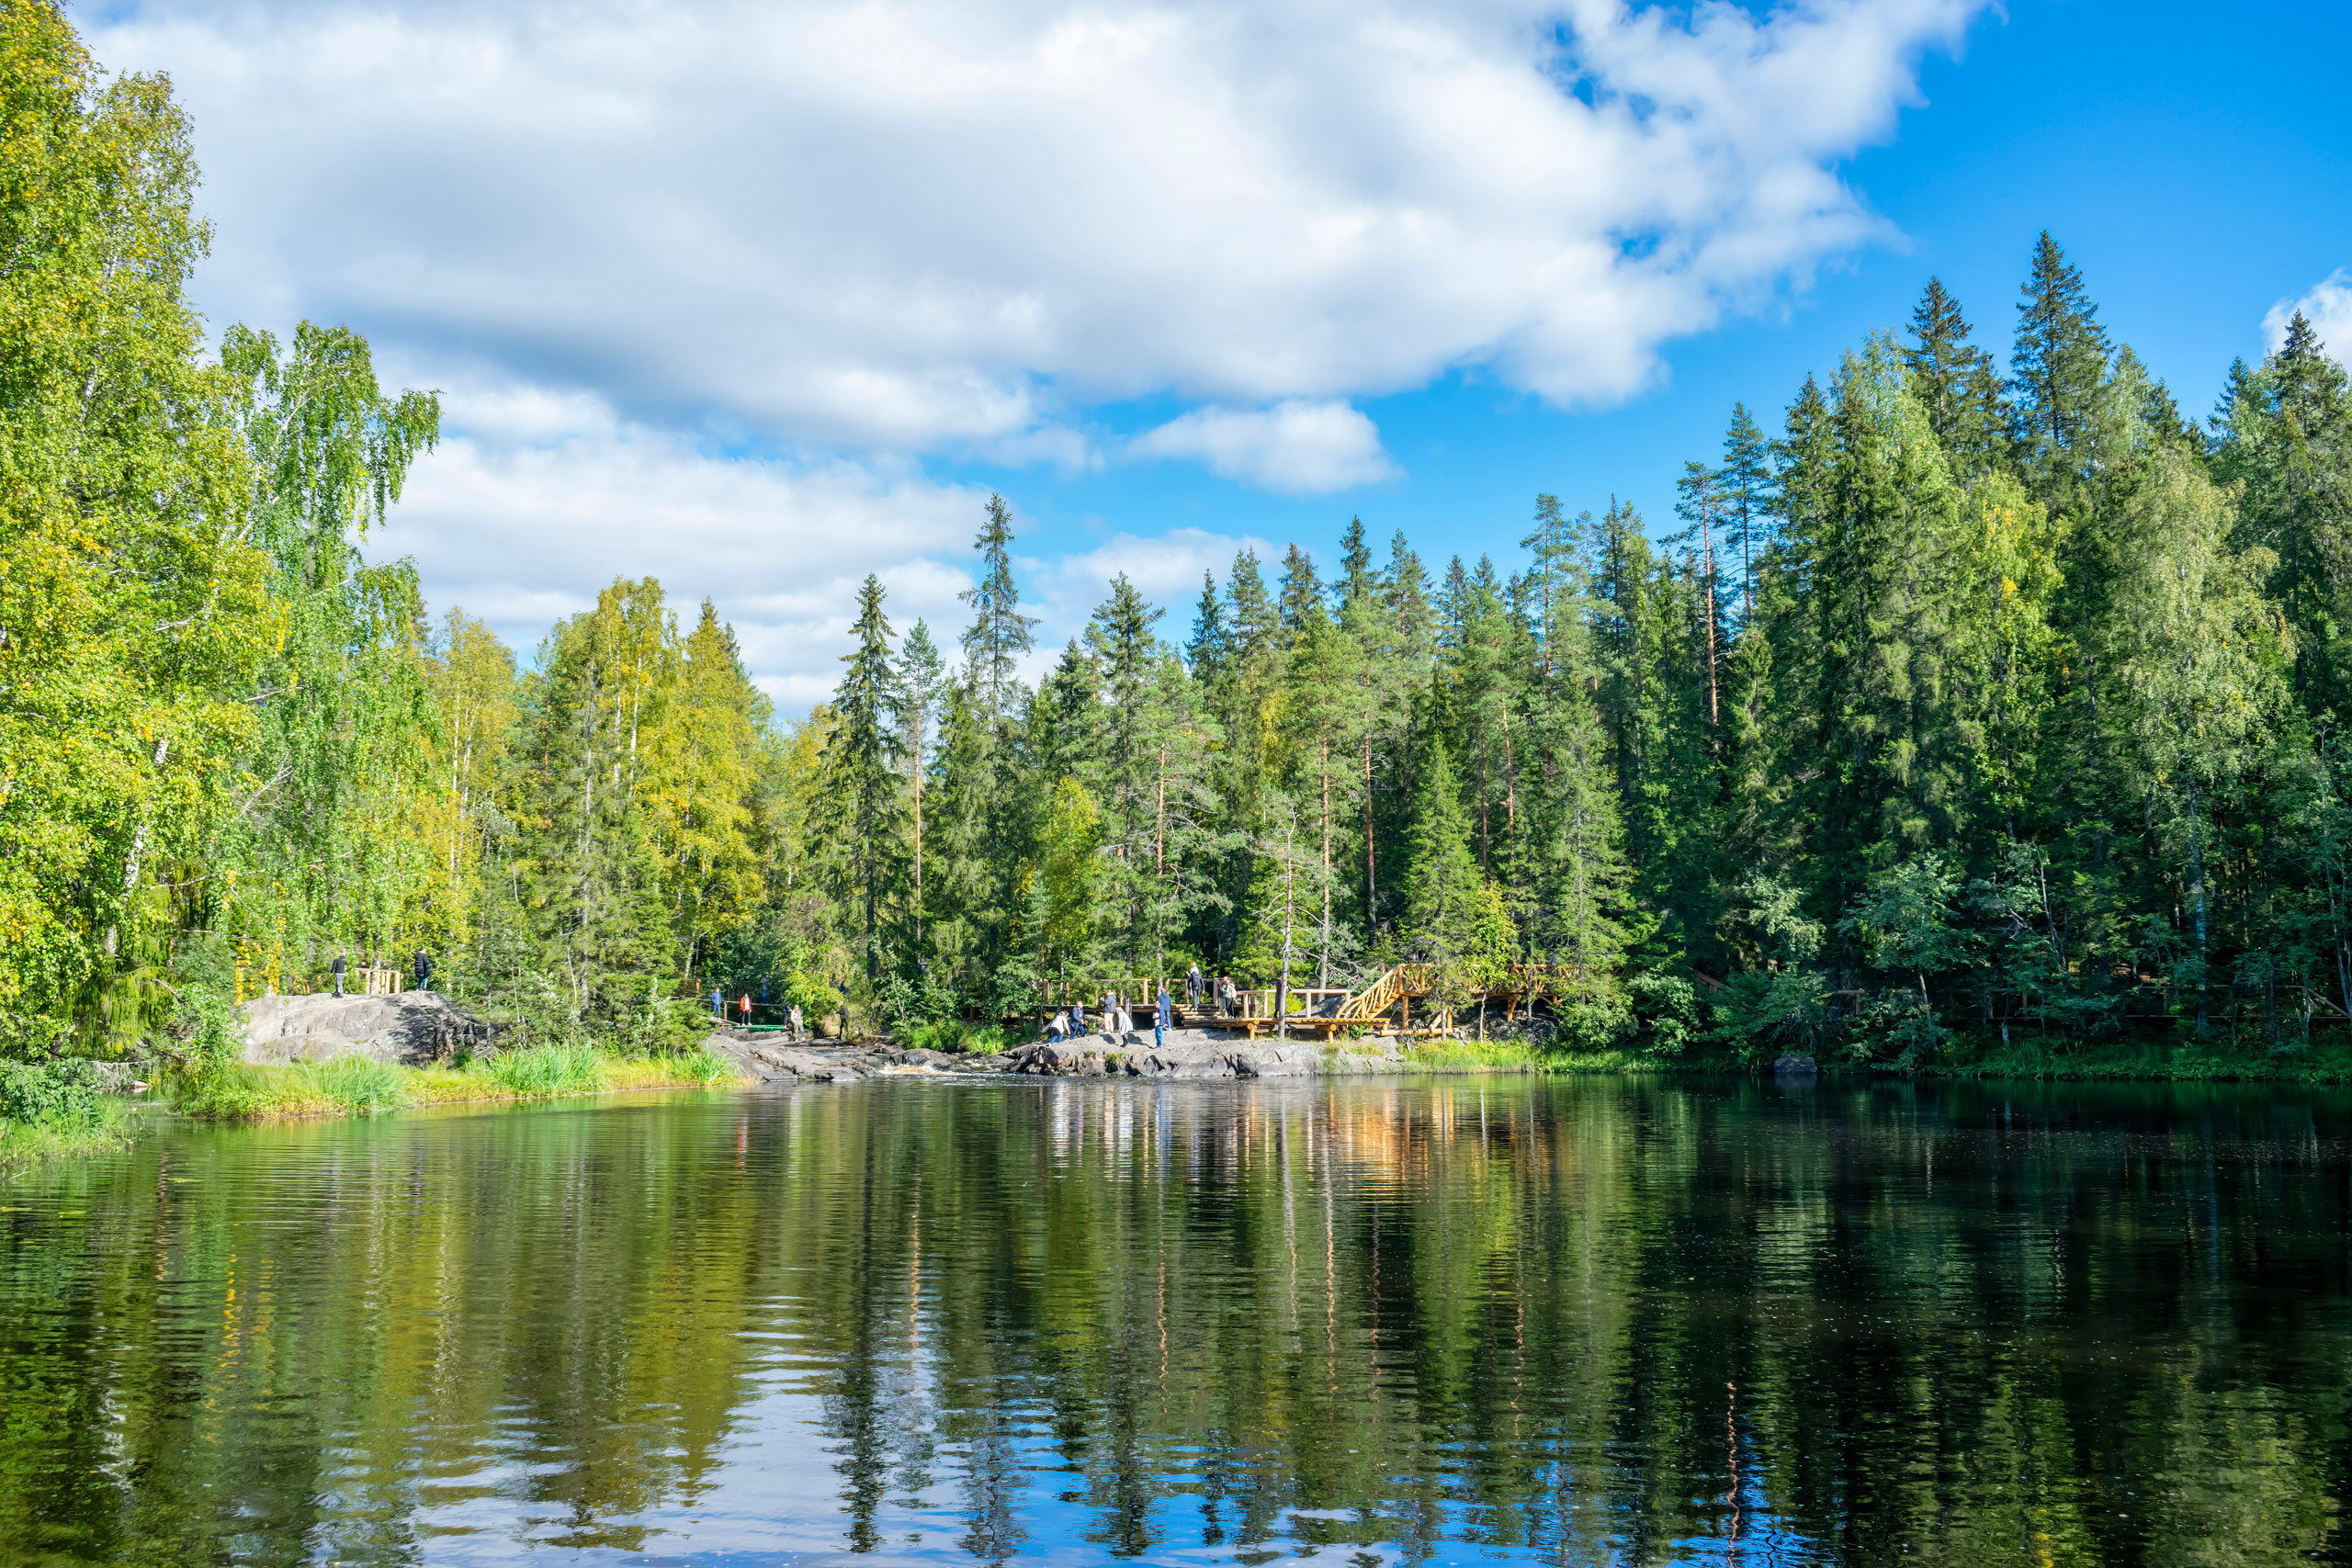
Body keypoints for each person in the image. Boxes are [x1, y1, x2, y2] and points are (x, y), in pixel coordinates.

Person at [1155, 985, 1171, 1051]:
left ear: (1162, 991)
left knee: (1162, 1017)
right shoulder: (1169, 996)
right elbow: (1170, 1002)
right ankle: (1169, 1027)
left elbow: (1158, 1002)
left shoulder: (1160, 997)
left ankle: (1163, 1025)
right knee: (1168, 1018)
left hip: (1162, 1008)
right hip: (1168, 1008)